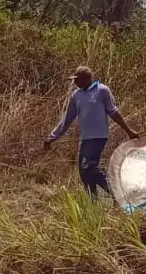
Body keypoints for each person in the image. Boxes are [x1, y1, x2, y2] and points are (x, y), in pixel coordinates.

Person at [44, 66, 138, 198]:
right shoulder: (76, 95)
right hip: (86, 138)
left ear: (87, 79)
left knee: (89, 166)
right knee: (84, 171)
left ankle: (116, 193)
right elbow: (67, 119)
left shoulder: (102, 91)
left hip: (99, 136)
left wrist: (129, 131)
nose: (75, 83)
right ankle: (93, 202)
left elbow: (113, 112)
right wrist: (52, 137)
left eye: (77, 80)